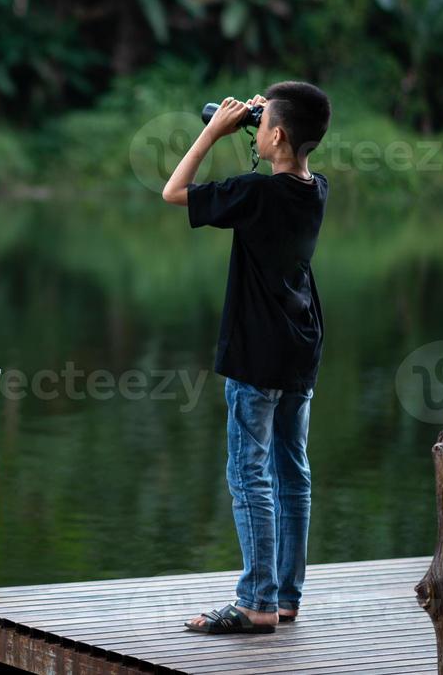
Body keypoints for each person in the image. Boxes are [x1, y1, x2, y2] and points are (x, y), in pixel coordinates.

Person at [161, 81, 332, 635]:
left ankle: (256, 601)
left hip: (256, 356)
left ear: (277, 134)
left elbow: (174, 191)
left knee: (249, 474)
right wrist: (264, 118)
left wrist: (213, 131)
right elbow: (283, 159)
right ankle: (285, 597)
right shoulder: (317, 190)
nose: (252, 127)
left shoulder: (255, 194)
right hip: (299, 351)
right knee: (292, 472)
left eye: (261, 124)